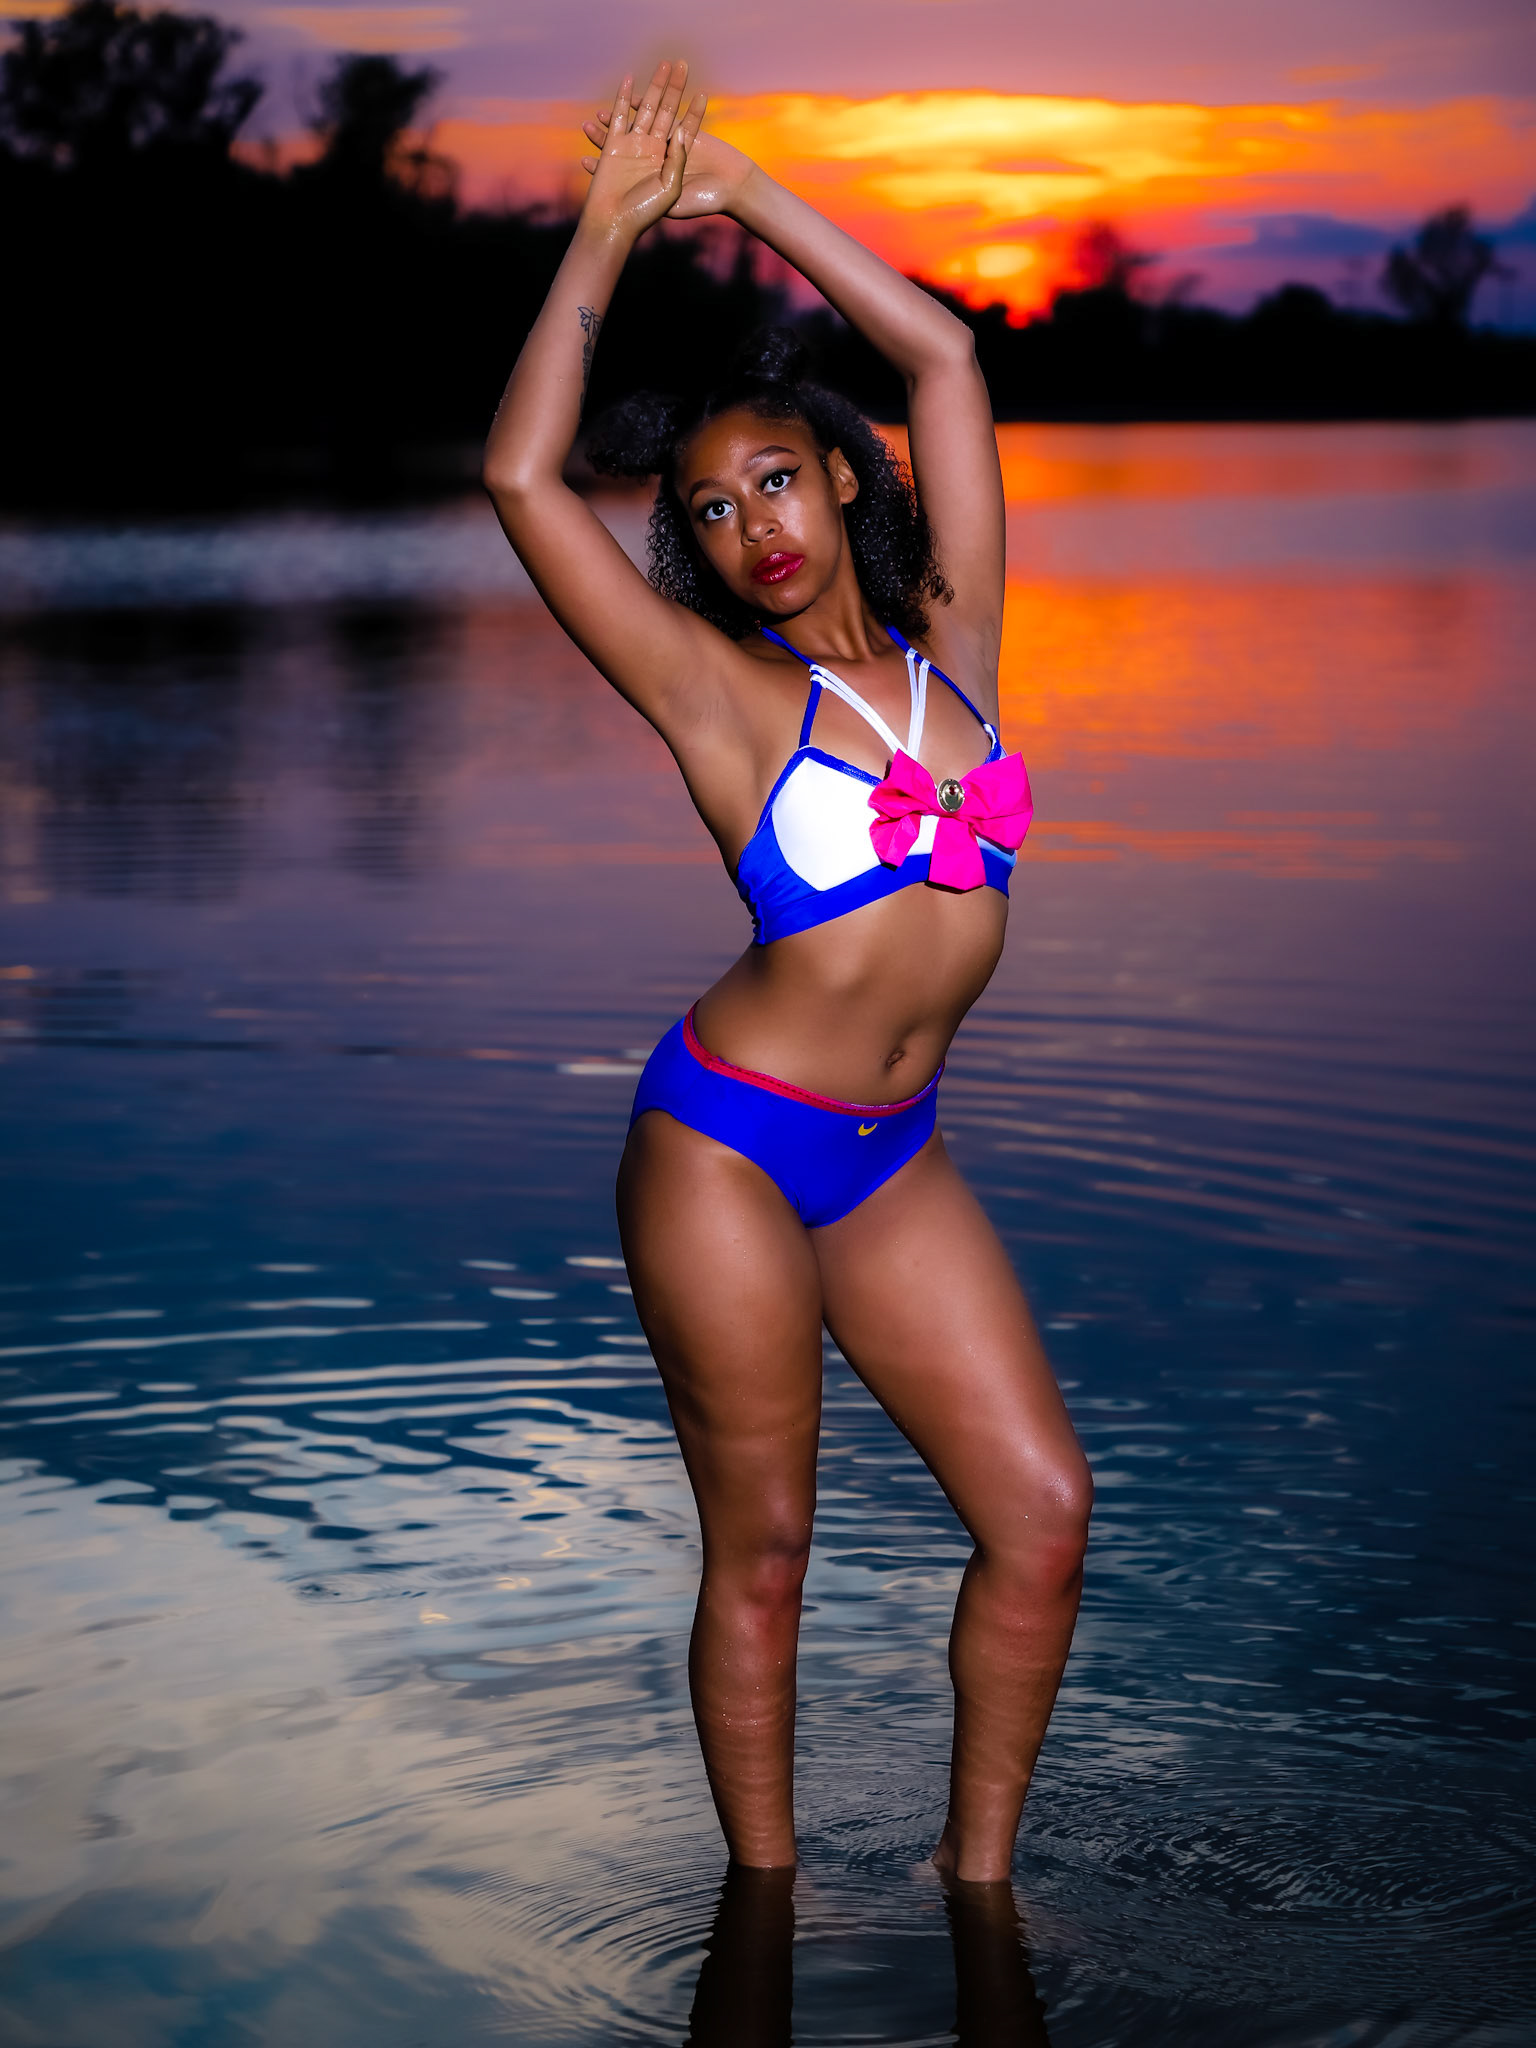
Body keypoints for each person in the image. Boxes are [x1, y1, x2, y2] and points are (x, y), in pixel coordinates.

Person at [483, 58, 1092, 1884]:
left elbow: (946, 359)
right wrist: (607, 231)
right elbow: (517, 475)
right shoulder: (719, 699)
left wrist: (742, 187)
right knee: (764, 1553)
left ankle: (980, 1899)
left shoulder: (959, 646)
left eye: (777, 480)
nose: (754, 526)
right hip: (728, 1148)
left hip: (896, 1153)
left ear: (840, 474)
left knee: (1043, 1514)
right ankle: (764, 1911)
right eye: (710, 509)